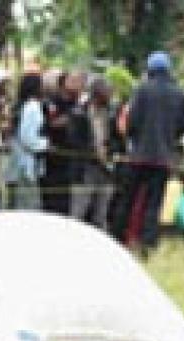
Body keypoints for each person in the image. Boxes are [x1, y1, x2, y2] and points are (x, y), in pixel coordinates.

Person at [111, 51, 184, 252]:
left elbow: (132, 121)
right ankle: (148, 243)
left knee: (129, 199)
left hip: (139, 156)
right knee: (154, 203)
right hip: (163, 158)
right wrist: (169, 139)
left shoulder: (142, 90)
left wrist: (134, 138)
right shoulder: (179, 93)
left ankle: (120, 238)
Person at [70, 75, 119, 229]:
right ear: (96, 94)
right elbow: (73, 141)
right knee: (78, 212)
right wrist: (92, 151)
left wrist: (110, 150)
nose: (109, 97)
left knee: (101, 214)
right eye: (106, 93)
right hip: (85, 168)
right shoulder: (79, 114)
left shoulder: (112, 113)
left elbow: (118, 140)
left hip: (106, 168)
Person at [41, 69, 83, 215]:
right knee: (52, 202)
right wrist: (64, 121)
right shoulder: (51, 102)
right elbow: (50, 124)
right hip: (53, 159)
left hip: (70, 161)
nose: (78, 84)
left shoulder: (77, 104)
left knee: (66, 203)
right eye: (73, 80)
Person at [8, 73, 47, 211]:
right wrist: (45, 144)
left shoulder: (23, 105)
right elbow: (27, 138)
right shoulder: (32, 107)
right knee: (29, 205)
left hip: (21, 161)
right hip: (27, 163)